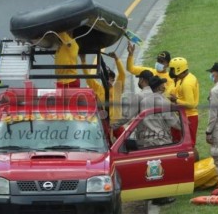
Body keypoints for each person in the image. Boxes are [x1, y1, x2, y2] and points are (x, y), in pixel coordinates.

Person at [135, 75, 181, 205]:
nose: (164, 85)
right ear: (159, 86)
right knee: (162, 168)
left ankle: (153, 194)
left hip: (147, 138)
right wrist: (183, 125)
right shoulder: (163, 101)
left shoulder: (144, 101)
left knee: (152, 168)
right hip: (161, 139)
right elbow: (172, 121)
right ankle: (161, 197)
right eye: (162, 83)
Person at [80, 52, 125, 123]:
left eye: (111, 79)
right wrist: (83, 61)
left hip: (116, 124)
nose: (109, 81)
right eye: (107, 78)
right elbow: (89, 79)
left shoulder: (117, 89)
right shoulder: (98, 88)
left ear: (113, 80)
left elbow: (122, 74)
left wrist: (116, 59)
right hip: (104, 124)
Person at [168, 57, 199, 160]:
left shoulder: (186, 83)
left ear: (178, 69)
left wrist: (176, 100)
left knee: (189, 145)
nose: (170, 71)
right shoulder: (186, 78)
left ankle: (194, 165)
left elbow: (191, 104)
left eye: (172, 69)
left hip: (189, 116)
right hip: (185, 115)